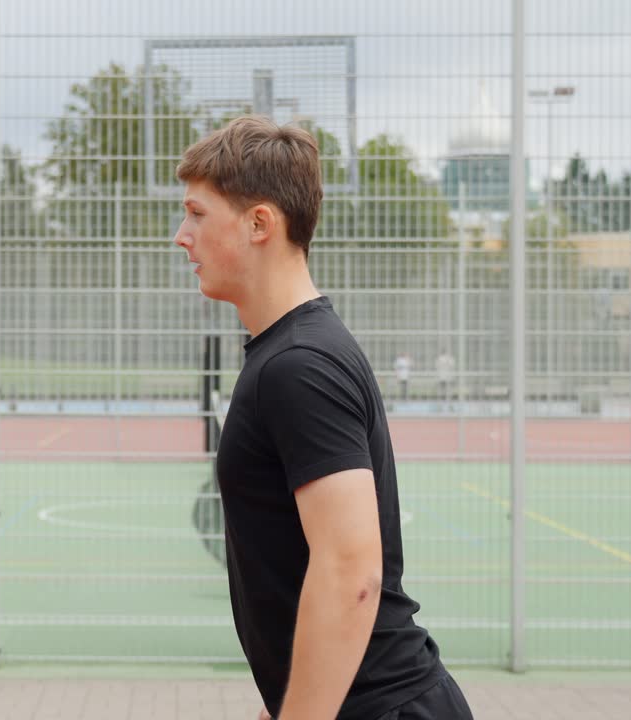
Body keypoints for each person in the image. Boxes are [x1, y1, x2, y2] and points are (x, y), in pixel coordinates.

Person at [174, 116, 472, 720]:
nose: (181, 235)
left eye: (198, 214)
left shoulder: (299, 365)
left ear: (260, 223)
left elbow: (349, 573)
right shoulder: (292, 353)